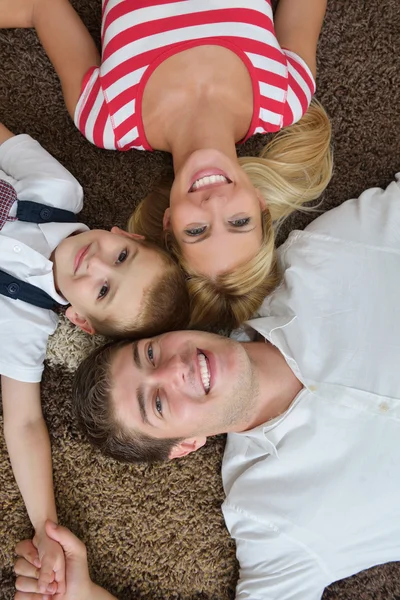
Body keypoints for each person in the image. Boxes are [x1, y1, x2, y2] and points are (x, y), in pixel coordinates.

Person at [60, 174, 400, 598]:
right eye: (159, 404)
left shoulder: (321, 254)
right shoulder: (268, 516)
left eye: (149, 355)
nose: (173, 370)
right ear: (186, 445)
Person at [1, 0, 333, 329]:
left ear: (169, 222)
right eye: (239, 220)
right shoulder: (287, 97)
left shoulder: (108, 120)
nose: (214, 203)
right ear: (259, 201)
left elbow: (38, 7)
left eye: (197, 230)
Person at [0, 122, 189, 595]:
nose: (97, 263)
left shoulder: (22, 321)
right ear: (124, 233)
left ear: (81, 321)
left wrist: (47, 530)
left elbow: (24, 423)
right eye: (122, 255)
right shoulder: (56, 190)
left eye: (103, 290)